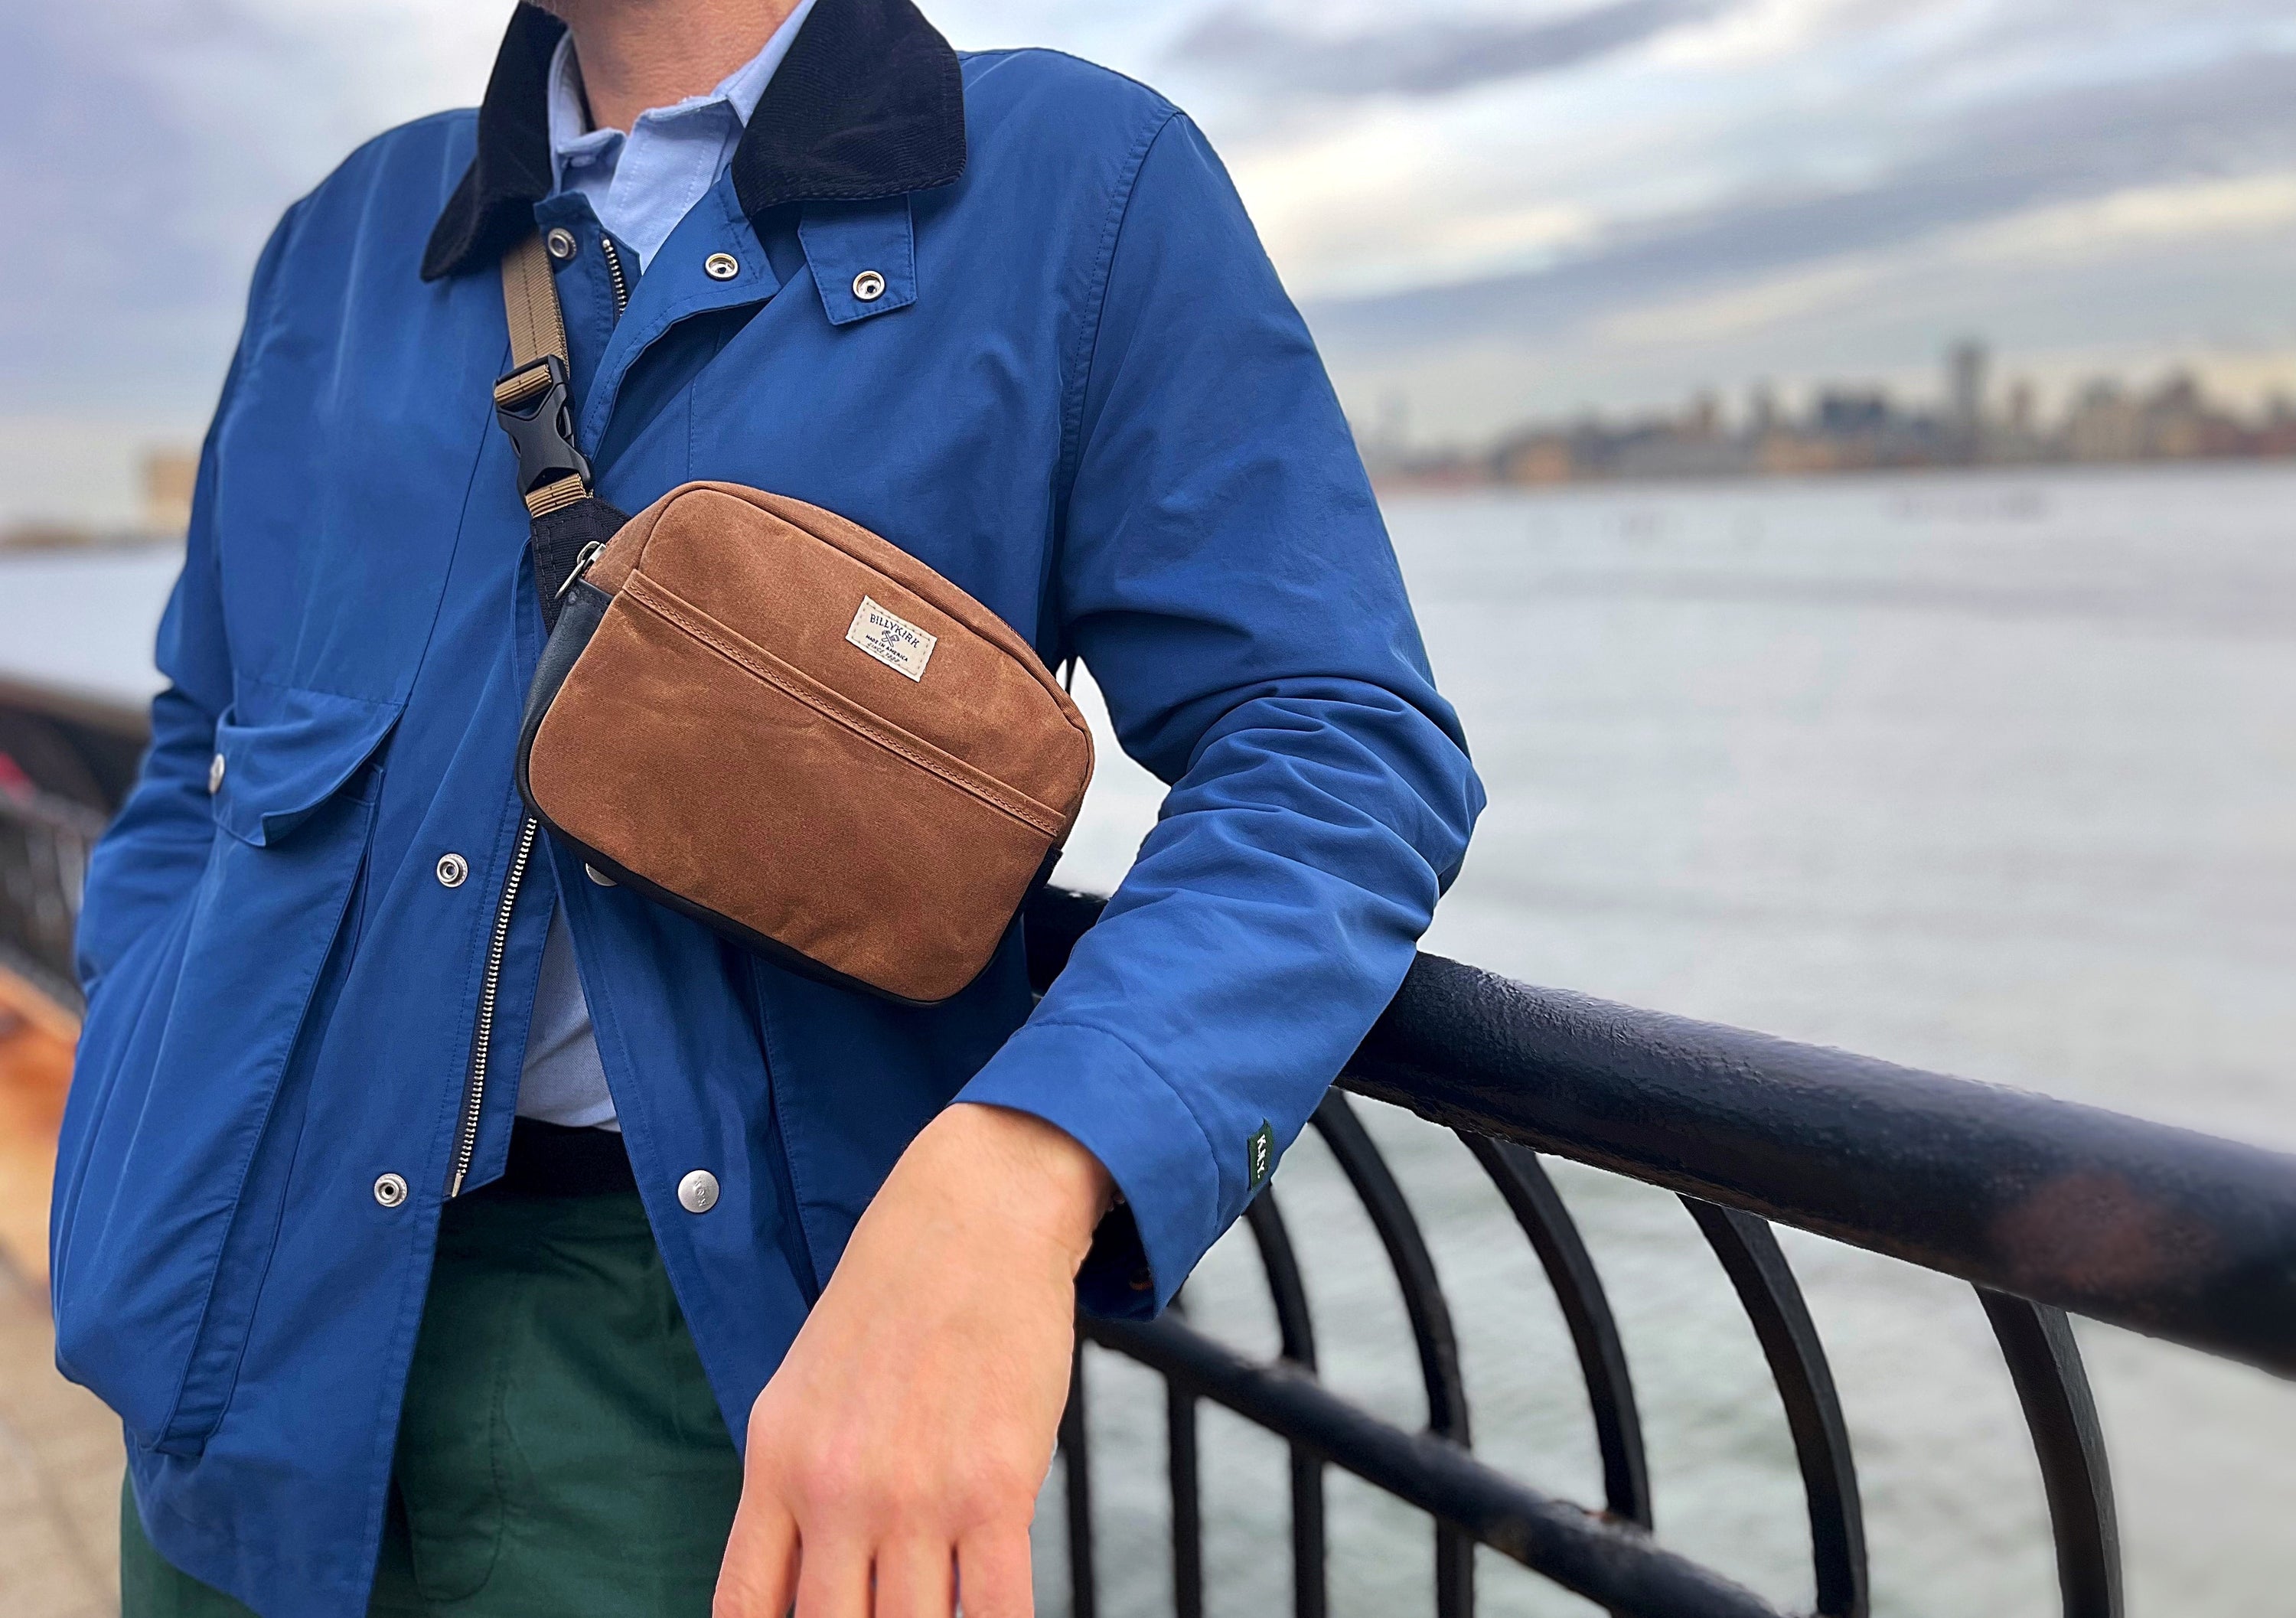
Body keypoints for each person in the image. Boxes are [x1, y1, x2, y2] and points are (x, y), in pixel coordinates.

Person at [57, 0, 1484, 1613]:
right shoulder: (344, 236)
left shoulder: (1083, 183)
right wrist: (143, 1066)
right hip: (231, 1351)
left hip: (702, 1392)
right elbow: (201, 740)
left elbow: (1334, 742)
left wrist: (1027, 1164)